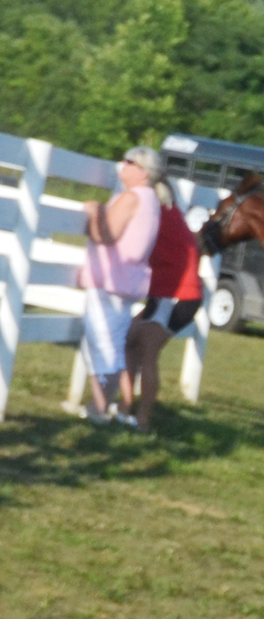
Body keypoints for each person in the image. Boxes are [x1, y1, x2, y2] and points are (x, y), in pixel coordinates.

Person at [73, 146, 164, 426]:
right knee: (109, 343)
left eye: (130, 162)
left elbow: (106, 234)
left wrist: (93, 212)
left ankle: (99, 409)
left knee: (102, 344)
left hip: (111, 280)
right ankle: (101, 405)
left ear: (144, 172)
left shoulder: (133, 197)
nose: (122, 165)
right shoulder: (151, 200)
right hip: (128, 282)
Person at [126, 171, 204, 432]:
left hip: (175, 295)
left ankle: (143, 419)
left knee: (146, 352)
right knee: (129, 341)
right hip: (172, 294)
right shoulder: (172, 213)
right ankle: (126, 408)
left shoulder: (157, 216)